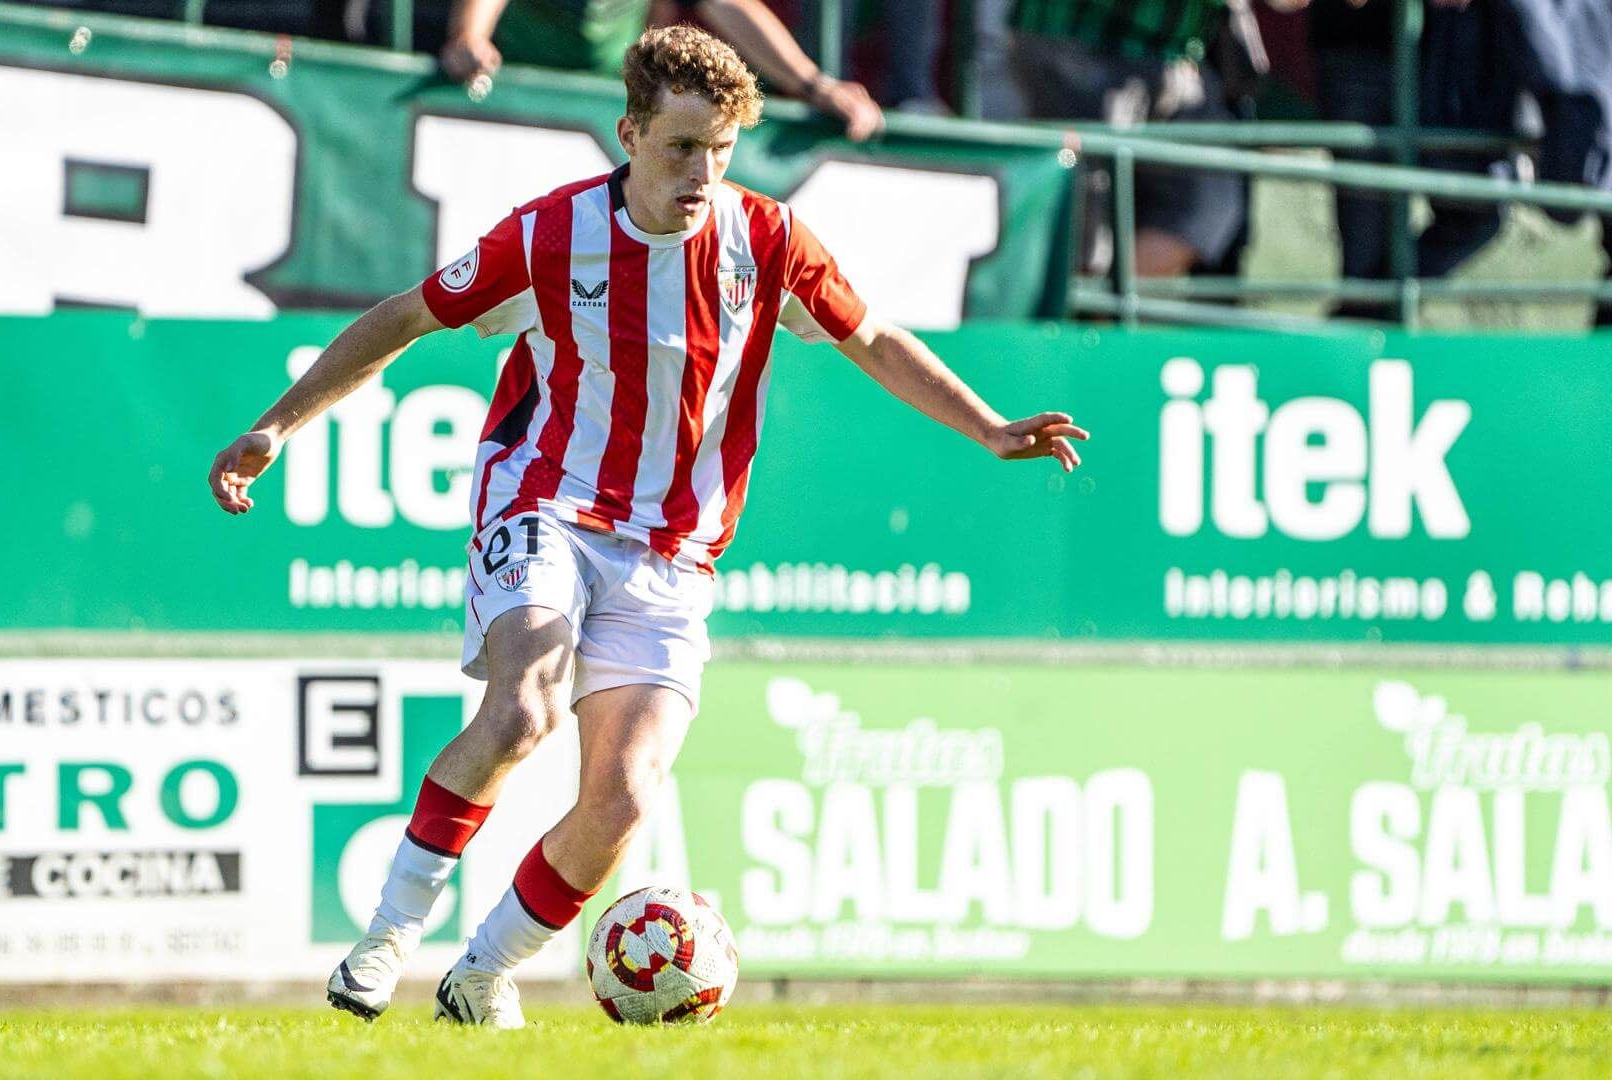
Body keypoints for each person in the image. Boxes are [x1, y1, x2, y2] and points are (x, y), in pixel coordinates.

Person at [208, 25, 1086, 1028]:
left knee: (621, 803)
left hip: (677, 549)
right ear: (629, 133)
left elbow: (873, 337)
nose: (702, 172)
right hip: (549, 499)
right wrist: (275, 425)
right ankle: (384, 943)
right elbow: (405, 317)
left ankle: (482, 973)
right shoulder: (549, 235)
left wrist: (986, 428)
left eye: (720, 148)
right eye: (680, 148)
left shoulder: (770, 242)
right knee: (522, 710)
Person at [1009, 0, 1249, 276]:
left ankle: (1101, 312)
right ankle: (1077, 307)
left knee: (1206, 205)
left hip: (1174, 58)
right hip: (1080, 45)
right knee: (1084, 230)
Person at [440, 0, 885, 140]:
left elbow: (726, 4)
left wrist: (813, 84)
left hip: (610, 105)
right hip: (513, 103)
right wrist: (468, 38)